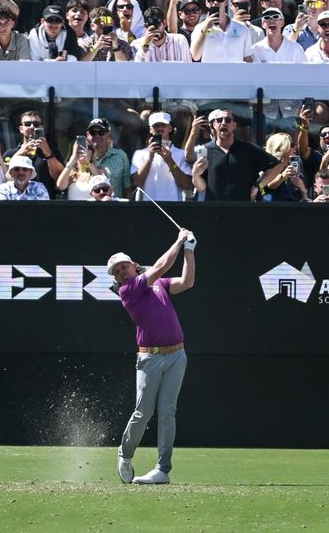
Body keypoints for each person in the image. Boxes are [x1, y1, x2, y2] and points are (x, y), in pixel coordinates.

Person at [109, 228, 196, 485]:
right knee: (143, 412)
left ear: (134, 265)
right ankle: (125, 455)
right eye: (117, 271)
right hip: (150, 358)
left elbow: (186, 281)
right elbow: (160, 265)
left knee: (168, 411)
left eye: (124, 267)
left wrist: (190, 251)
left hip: (177, 355)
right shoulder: (129, 290)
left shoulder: (157, 284)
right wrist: (180, 241)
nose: (122, 272)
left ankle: (162, 470)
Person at [196, 108, 287, 200]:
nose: (223, 123)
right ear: (214, 125)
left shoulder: (248, 149)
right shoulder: (206, 151)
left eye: (228, 120)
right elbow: (202, 187)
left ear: (234, 125)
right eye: (219, 120)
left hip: (244, 210)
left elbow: (277, 166)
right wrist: (195, 175)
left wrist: (258, 186)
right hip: (215, 211)